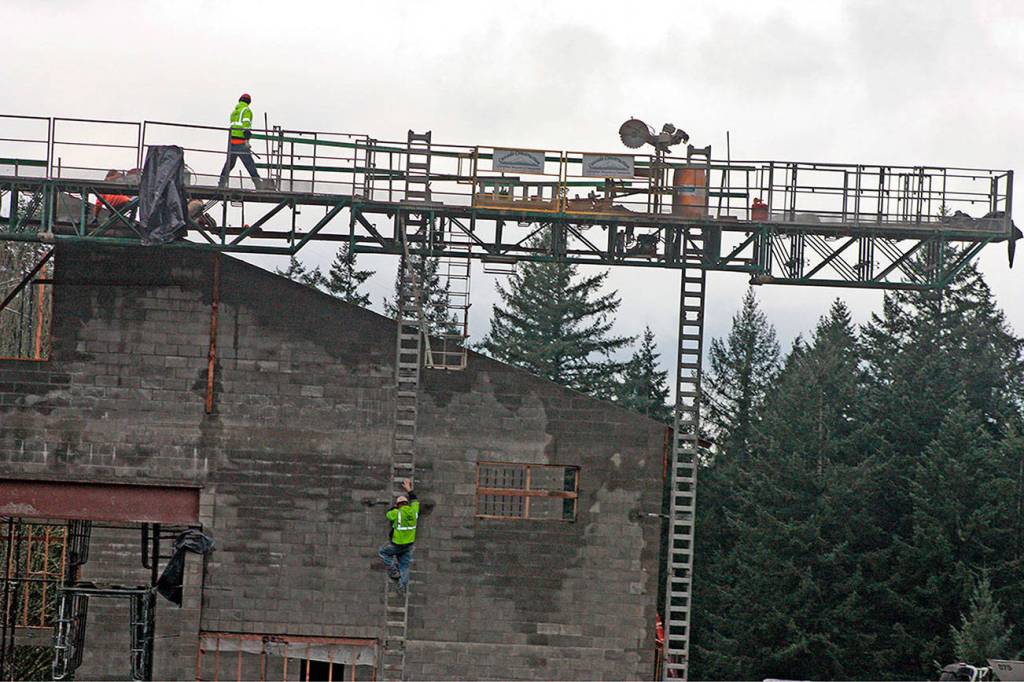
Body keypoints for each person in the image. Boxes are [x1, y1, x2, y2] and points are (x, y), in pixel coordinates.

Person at [378, 479, 419, 593]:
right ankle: (402, 586)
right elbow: (415, 500)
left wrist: (395, 507)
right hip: (409, 544)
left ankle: (393, 572)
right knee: (404, 565)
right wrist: (409, 489)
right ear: (407, 503)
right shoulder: (414, 511)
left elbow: (388, 515)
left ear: (399, 504)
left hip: (397, 544)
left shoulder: (397, 512)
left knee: (383, 552)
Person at [217, 93, 265, 189]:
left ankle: (221, 184)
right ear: (249, 102)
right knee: (250, 164)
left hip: (232, 142)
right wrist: (247, 140)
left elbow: (233, 127)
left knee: (229, 164)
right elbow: (246, 127)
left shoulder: (235, 112)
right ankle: (258, 184)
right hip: (241, 142)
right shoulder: (246, 111)